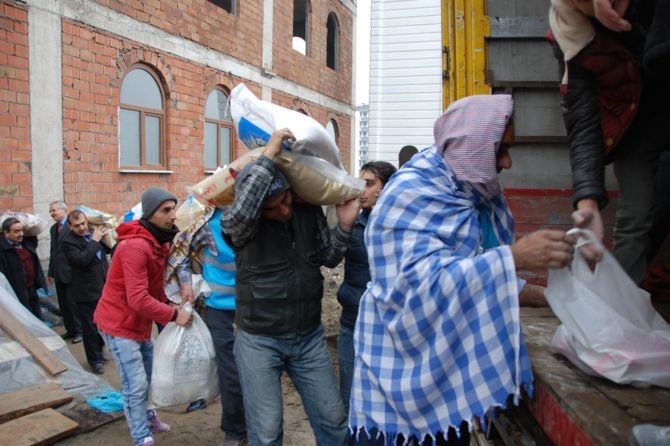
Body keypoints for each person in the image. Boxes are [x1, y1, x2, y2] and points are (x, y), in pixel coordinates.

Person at [348, 95, 577, 445]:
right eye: (501, 149)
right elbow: (419, 288)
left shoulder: (478, 197)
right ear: (473, 145)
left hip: (449, 382)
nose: (508, 162)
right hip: (397, 385)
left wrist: (555, 298)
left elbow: (488, 280)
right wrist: (513, 257)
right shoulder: (409, 195)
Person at [221, 128, 359, 446]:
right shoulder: (241, 226)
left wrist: (346, 225)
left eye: (285, 199)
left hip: (308, 337)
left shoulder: (305, 211)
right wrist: (268, 155)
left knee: (333, 420)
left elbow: (327, 256)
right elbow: (241, 212)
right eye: (272, 207)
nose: (284, 210)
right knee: (267, 432)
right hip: (258, 341)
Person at [548, 0, 670, 284]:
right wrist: (587, 203)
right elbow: (582, 115)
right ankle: (621, 312)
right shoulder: (566, 24)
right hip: (636, 121)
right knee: (636, 218)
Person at [94, 187, 194, 446]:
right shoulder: (136, 246)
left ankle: (149, 417)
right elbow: (137, 298)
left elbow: (153, 286)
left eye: (174, 208)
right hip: (117, 324)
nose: (173, 215)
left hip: (138, 323)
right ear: (150, 213)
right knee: (135, 382)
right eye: (166, 210)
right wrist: (173, 314)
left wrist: (176, 295)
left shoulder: (159, 241)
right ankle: (141, 436)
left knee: (150, 376)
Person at [165, 204, 247, 446]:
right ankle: (235, 429)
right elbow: (179, 256)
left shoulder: (260, 217)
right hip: (220, 310)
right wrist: (187, 284)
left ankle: (259, 425)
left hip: (255, 309)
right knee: (230, 371)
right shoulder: (207, 225)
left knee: (256, 370)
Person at [336, 160, 396, 412]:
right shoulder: (354, 223)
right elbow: (330, 256)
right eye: (360, 183)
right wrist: (344, 225)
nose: (362, 190)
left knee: (384, 405)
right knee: (350, 401)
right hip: (352, 324)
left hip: (387, 330)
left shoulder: (399, 227)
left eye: (369, 184)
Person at [61, 209, 109, 375]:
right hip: (85, 292)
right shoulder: (68, 242)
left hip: (102, 287)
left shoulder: (92, 234)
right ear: (70, 226)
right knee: (90, 328)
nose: (81, 228)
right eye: (76, 226)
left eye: (83, 223)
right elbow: (81, 260)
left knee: (104, 325)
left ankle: (100, 351)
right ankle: (94, 360)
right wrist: (95, 241)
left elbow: (105, 253)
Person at [48, 200, 82, 343]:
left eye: (54, 210)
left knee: (73, 303)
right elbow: (53, 251)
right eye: (51, 211)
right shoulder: (53, 229)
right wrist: (50, 271)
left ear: (63, 210)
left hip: (71, 273)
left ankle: (80, 331)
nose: (51, 213)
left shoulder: (72, 226)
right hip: (58, 273)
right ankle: (70, 329)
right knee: (63, 304)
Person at [0, 218, 47, 320]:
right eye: (16, 231)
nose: (20, 234)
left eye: (21, 230)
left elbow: (34, 230)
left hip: (32, 288)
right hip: (16, 291)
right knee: (24, 319)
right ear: (6, 233)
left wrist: (26, 223)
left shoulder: (26, 242)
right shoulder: (2, 248)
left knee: (37, 316)